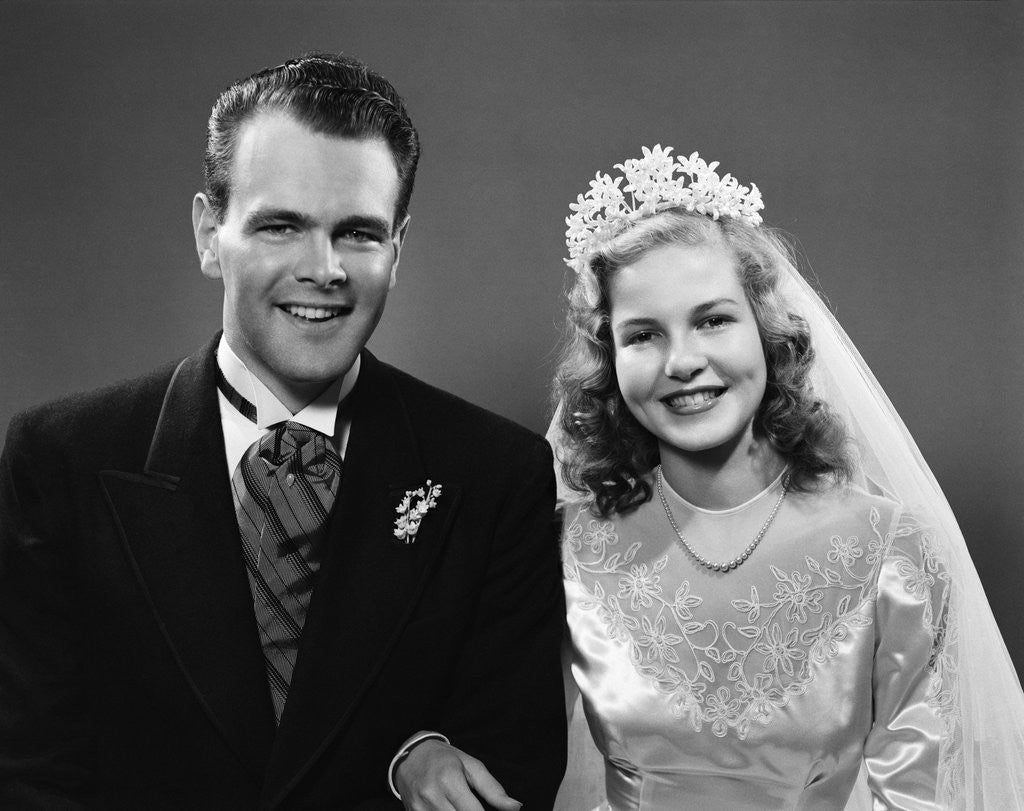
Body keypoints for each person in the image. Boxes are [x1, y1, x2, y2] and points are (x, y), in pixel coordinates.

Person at [0, 53, 566, 809]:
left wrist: (413, 752)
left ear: (396, 252)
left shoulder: (496, 474)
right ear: (210, 234)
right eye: (280, 225)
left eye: (358, 233)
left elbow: (509, 769)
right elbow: (30, 770)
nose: (322, 267)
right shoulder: (60, 459)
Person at [548, 146, 1024, 809]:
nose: (683, 360)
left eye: (713, 319)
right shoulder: (571, 549)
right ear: (609, 360)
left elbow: (915, 794)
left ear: (767, 332)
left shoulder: (887, 548)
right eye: (643, 335)